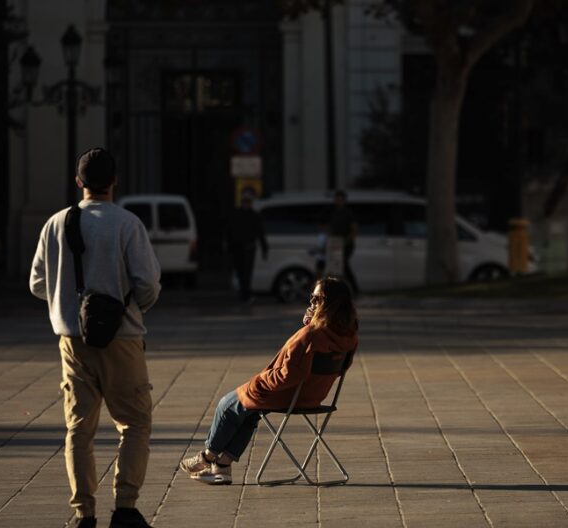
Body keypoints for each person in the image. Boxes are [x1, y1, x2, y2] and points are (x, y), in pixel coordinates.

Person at [30, 148, 161, 528]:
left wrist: (67, 303)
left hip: (72, 340)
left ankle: (83, 512)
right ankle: (125, 508)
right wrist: (131, 309)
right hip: (122, 338)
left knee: (79, 427)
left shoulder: (55, 224)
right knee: (135, 422)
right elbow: (148, 285)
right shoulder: (127, 224)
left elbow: (37, 283)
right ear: (114, 182)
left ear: (79, 182)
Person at [179, 276, 358, 484]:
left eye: (317, 299)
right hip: (313, 395)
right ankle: (222, 466)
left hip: (289, 395)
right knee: (250, 412)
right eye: (312, 298)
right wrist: (311, 324)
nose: (311, 303)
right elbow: (340, 367)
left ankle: (207, 456)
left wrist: (257, 382)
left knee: (227, 405)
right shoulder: (348, 335)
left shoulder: (310, 336)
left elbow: (288, 375)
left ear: (330, 303)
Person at [227, 189, 268, 302]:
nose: (246, 204)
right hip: (238, 248)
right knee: (240, 272)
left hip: (249, 247)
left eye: (248, 201)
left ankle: (245, 294)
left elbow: (260, 233)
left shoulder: (254, 216)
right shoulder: (236, 215)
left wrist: (265, 248)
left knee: (247, 273)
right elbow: (230, 232)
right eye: (244, 201)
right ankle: (243, 294)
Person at [326, 190, 358, 295]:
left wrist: (346, 242)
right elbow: (328, 228)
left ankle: (354, 289)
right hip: (335, 244)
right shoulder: (333, 213)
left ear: (344, 201)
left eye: (341, 199)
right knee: (337, 267)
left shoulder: (348, 213)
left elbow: (354, 229)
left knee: (343, 265)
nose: (339, 202)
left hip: (346, 244)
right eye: (337, 199)